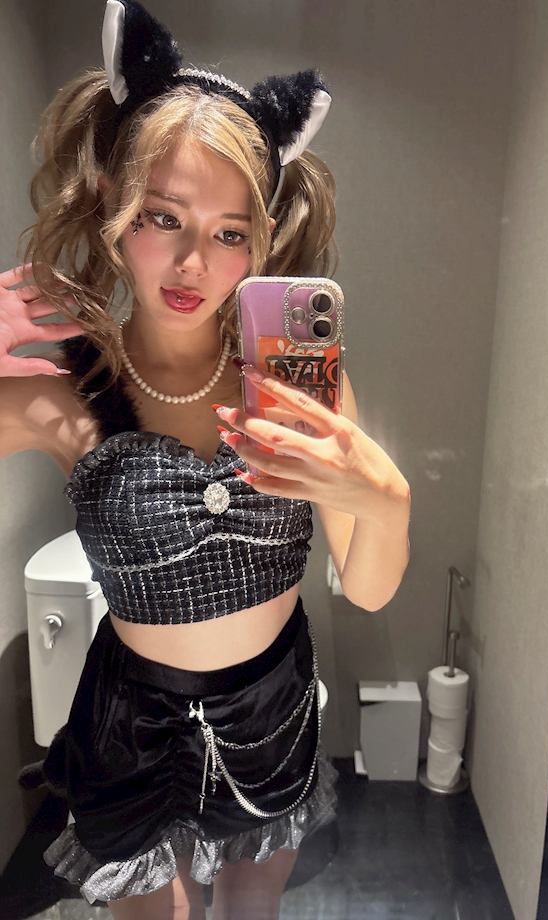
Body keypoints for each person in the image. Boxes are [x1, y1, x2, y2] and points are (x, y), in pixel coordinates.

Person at [0, 2, 410, 918]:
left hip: (273, 708)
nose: (194, 262)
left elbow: (370, 586)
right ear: (112, 208)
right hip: (131, 725)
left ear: (260, 241)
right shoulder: (72, 389)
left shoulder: (297, 385)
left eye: (230, 232)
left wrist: (385, 498)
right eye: (163, 217)